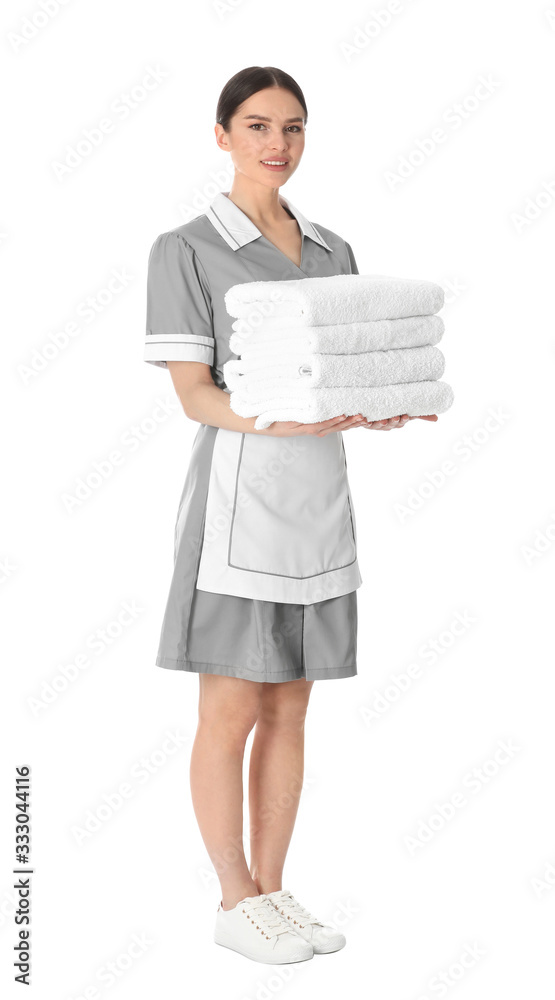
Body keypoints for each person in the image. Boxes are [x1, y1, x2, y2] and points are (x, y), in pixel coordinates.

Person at [144, 65, 426, 965]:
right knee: (230, 707)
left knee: (292, 708)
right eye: (259, 125)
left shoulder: (333, 250)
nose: (278, 144)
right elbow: (194, 394)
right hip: (238, 503)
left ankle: (273, 889)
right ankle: (232, 899)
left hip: (318, 503)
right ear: (221, 134)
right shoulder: (187, 247)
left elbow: (341, 372)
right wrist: (279, 415)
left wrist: (376, 402)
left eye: (294, 127)